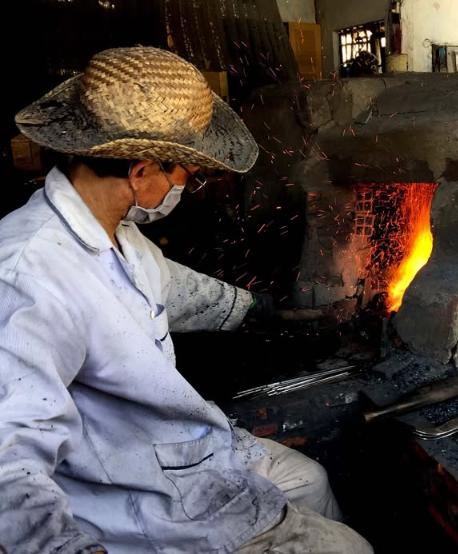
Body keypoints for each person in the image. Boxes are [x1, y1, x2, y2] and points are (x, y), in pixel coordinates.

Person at [0, 46, 372, 553]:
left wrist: (258, 310)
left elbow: (173, 288)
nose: (185, 185)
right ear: (141, 171)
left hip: (177, 449)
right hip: (131, 497)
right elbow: (9, 460)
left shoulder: (113, 232)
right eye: (184, 174)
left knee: (309, 481)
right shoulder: (26, 276)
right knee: (352, 550)